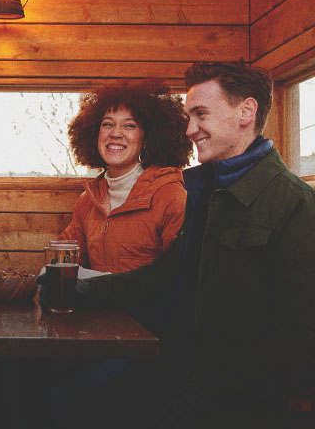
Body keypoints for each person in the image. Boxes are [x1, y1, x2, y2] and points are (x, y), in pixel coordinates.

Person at [38, 62, 315, 428]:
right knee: (46, 387)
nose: (190, 129)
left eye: (200, 114)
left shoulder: (295, 204)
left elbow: (301, 337)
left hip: (239, 397)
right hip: (182, 369)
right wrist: (83, 288)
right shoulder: (210, 193)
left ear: (246, 111)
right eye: (187, 117)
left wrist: (206, 386)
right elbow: (167, 275)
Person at [59, 80, 192, 273]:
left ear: (146, 139)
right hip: (94, 303)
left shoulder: (171, 196)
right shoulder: (88, 201)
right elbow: (65, 258)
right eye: (107, 124)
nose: (115, 133)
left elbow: (179, 275)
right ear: (94, 133)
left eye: (129, 126)